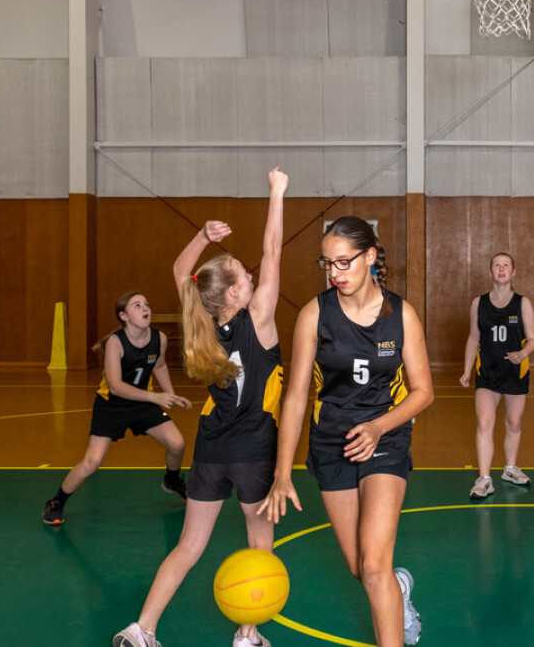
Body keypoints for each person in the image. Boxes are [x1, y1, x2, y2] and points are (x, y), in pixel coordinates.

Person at [114, 167, 288, 647]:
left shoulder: (202, 325)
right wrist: (276, 192)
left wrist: (201, 236)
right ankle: (247, 634)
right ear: (234, 292)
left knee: (189, 546)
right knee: (260, 546)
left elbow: (180, 274)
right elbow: (273, 251)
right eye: (243, 275)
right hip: (254, 450)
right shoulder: (260, 322)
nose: (252, 274)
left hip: (211, 448)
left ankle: (141, 628)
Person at [261, 216, 434, 647]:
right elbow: (296, 397)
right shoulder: (314, 315)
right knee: (362, 568)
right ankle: (399, 591)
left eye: (344, 263)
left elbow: (424, 391)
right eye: (327, 265)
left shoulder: (402, 315)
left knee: (374, 567)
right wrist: (282, 473)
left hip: (385, 436)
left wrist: (378, 426)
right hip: (331, 443)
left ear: (370, 257)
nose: (335, 273)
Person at [42, 291, 192, 525]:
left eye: (146, 304)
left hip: (143, 403)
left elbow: (160, 365)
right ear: (124, 316)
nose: (145, 308)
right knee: (92, 462)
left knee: (177, 443)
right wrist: (155, 397)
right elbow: (116, 386)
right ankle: (56, 502)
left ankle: (172, 480)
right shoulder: (115, 343)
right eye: (137, 305)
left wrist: (170, 395)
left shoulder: (159, 338)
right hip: (112, 407)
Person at [459, 252, 534, 499]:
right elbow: (473, 338)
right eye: (497, 265)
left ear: (513, 272)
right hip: (487, 373)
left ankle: (510, 469)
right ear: (490, 272)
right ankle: (484, 479)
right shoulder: (478, 303)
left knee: (514, 423)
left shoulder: (523, 303)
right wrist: (466, 370)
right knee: (484, 422)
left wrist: (523, 353)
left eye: (506, 265)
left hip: (515, 371)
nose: (501, 269)